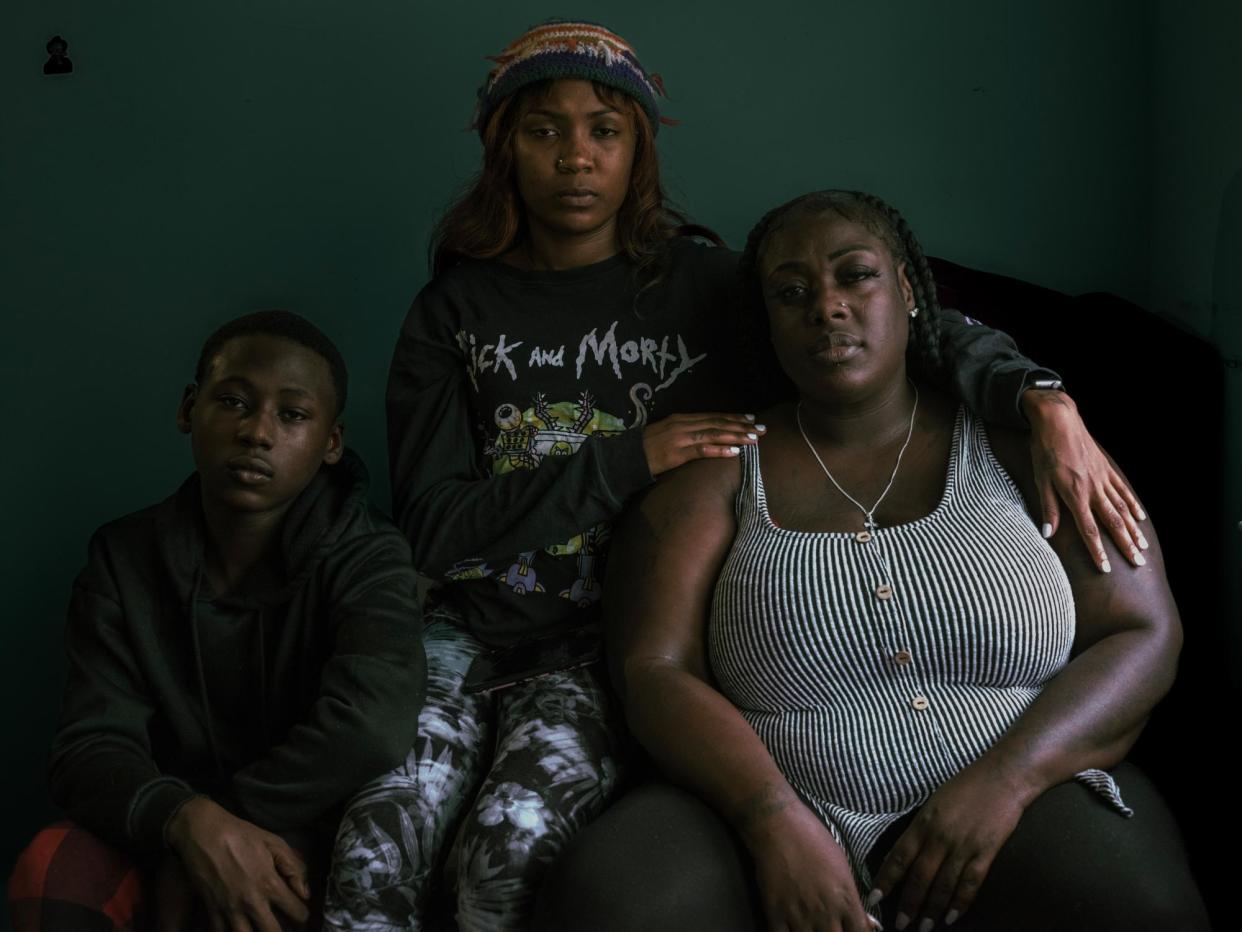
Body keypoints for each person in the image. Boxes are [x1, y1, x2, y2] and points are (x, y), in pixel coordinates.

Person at [324, 22, 1148, 932]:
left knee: (506, 858)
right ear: (501, 148)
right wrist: (627, 459)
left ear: (639, 150)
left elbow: (885, 324)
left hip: (600, 643)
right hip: (467, 630)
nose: (574, 158)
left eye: (604, 128)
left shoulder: (703, 284)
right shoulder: (454, 311)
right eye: (542, 131)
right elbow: (433, 528)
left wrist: (1037, 394)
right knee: (373, 851)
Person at [586, 191, 1208, 932]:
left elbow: (1142, 632)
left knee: (1140, 910)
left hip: (1025, 790)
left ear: (909, 292)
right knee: (614, 901)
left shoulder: (1028, 448)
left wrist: (1004, 785)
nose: (828, 307)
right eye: (792, 293)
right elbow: (656, 668)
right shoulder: (716, 471)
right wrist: (772, 818)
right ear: (767, 322)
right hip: (771, 798)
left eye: (856, 276)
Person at [7, 311, 426, 932]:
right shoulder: (123, 557)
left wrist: (224, 825)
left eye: (292, 414)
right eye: (233, 400)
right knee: (54, 865)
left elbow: (371, 726)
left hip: (299, 833)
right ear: (188, 408)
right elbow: (90, 746)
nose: (257, 432)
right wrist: (185, 823)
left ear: (331, 443)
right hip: (159, 820)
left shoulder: (369, 558)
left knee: (258, 896)